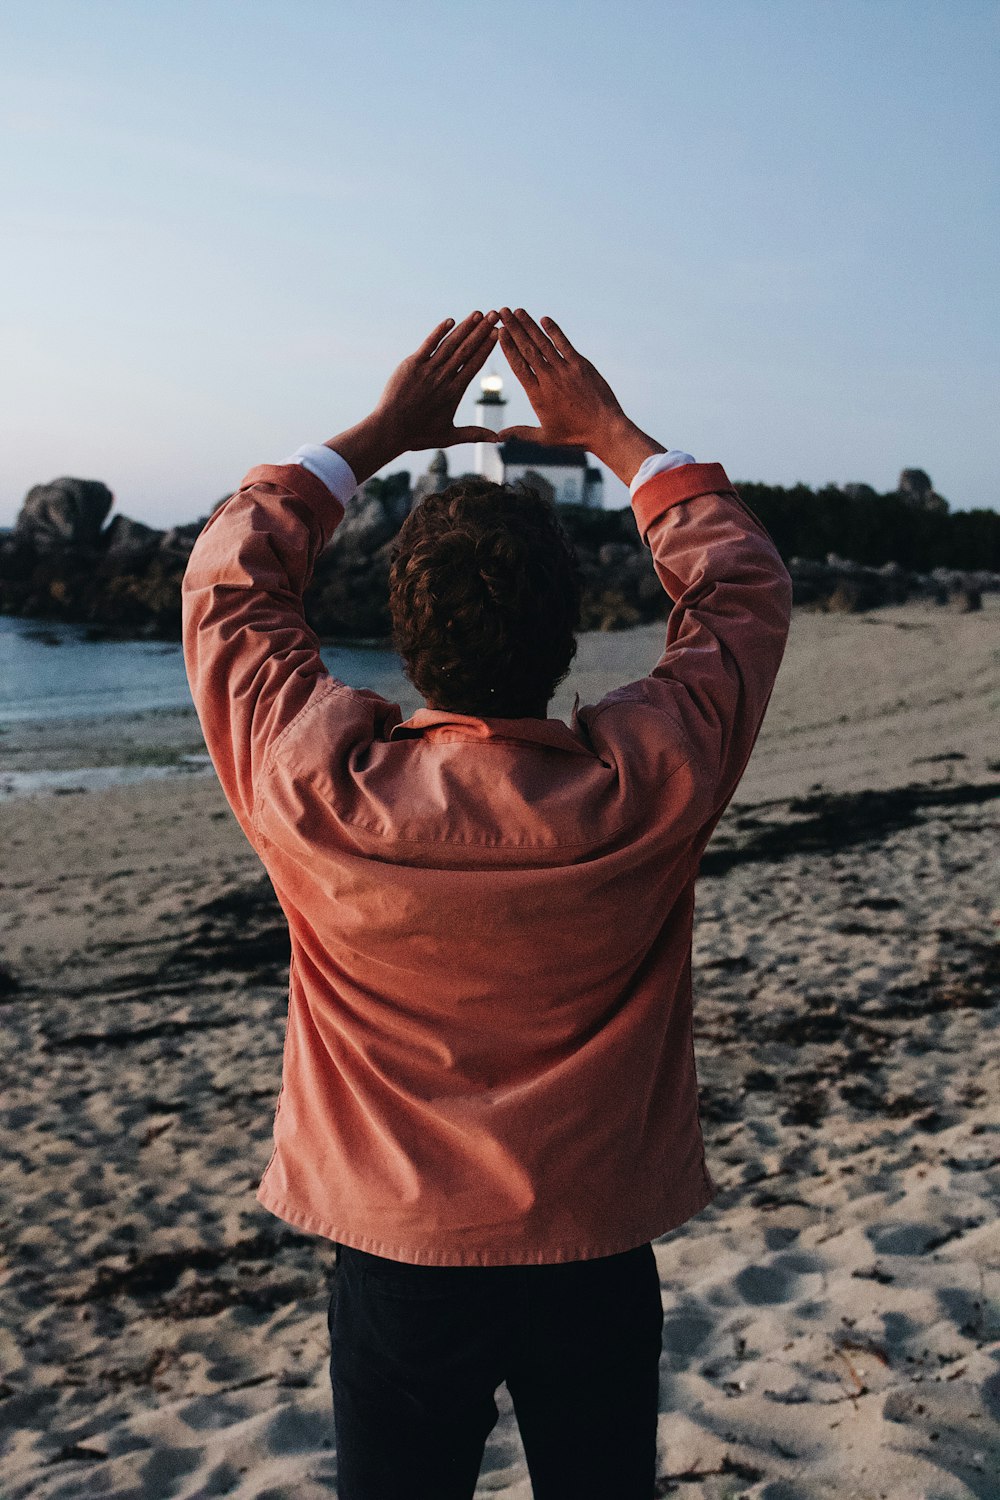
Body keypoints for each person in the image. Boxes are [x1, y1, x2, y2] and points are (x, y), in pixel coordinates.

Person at [181, 308, 793, 1499]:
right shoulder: (647, 782)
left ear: (403, 637)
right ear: (567, 633)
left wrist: (372, 439)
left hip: (398, 1249)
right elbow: (740, 592)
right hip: (595, 1238)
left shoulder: (315, 790)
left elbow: (229, 585)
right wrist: (612, 436)